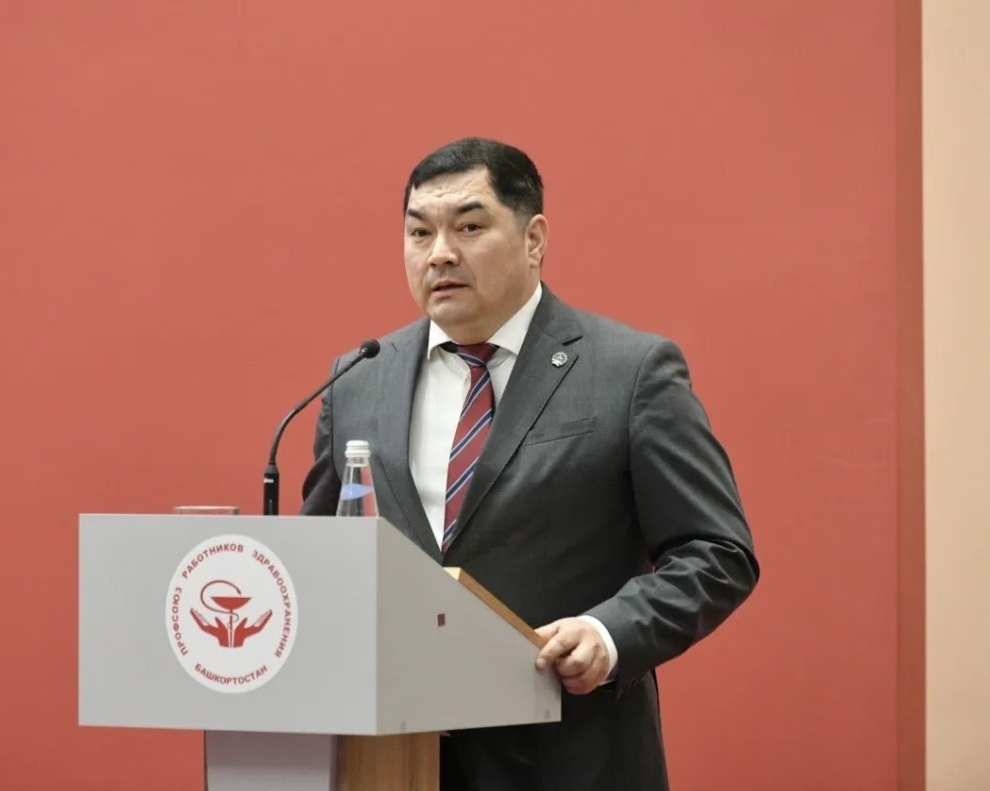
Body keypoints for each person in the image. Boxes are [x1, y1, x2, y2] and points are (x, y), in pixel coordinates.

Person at [300, 137, 759, 790]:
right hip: (393, 760)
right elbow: (321, 560)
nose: (440, 254)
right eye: (419, 232)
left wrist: (610, 632)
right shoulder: (359, 379)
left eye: (469, 227)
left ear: (534, 238)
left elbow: (717, 552)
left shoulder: (630, 372)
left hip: (568, 755)